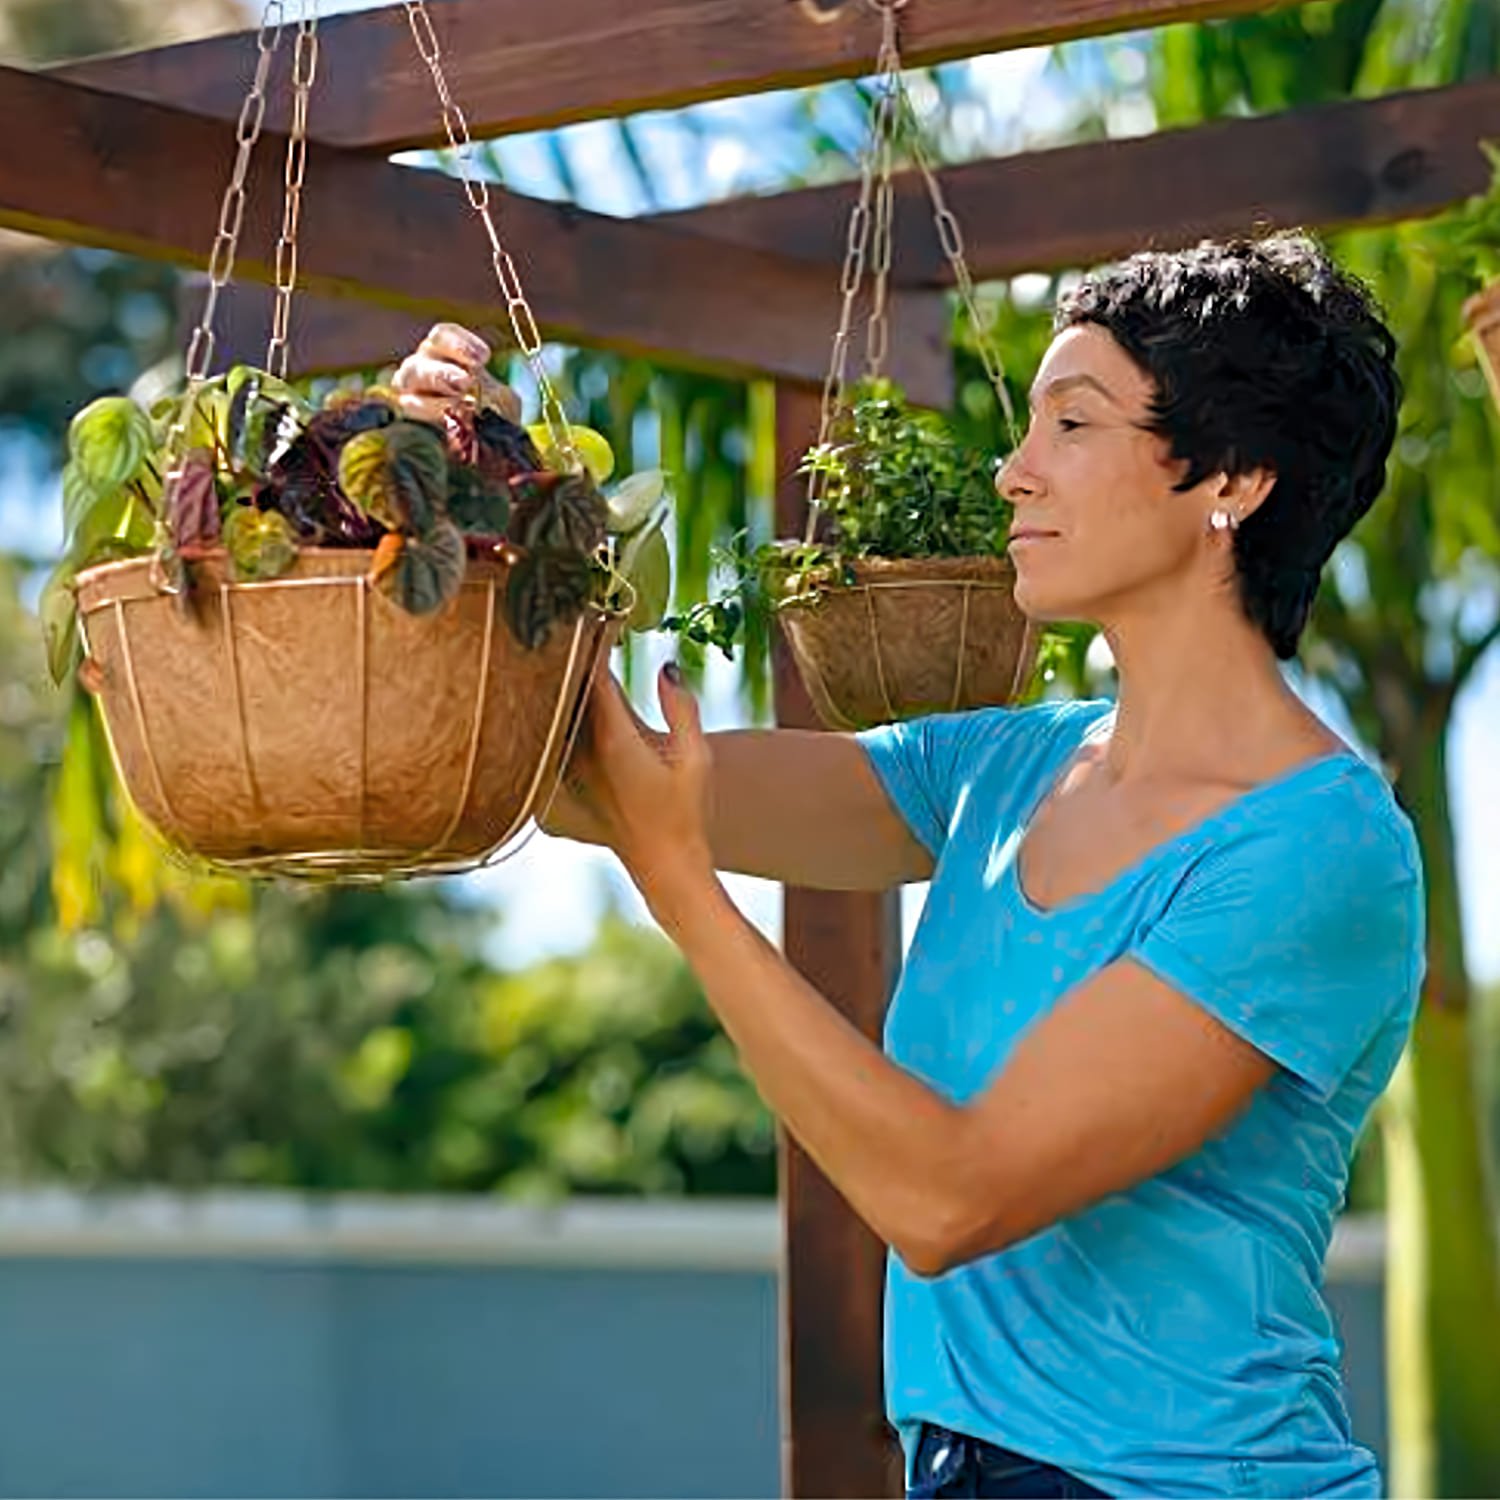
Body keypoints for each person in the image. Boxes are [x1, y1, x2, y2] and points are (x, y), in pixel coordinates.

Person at [393, 233, 1424, 1499]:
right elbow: (586, 779)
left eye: (1072, 425)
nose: (1012, 471)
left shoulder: (1316, 848)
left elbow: (948, 1196)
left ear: (1233, 479)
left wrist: (684, 894)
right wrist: (483, 493)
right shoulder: (997, 771)